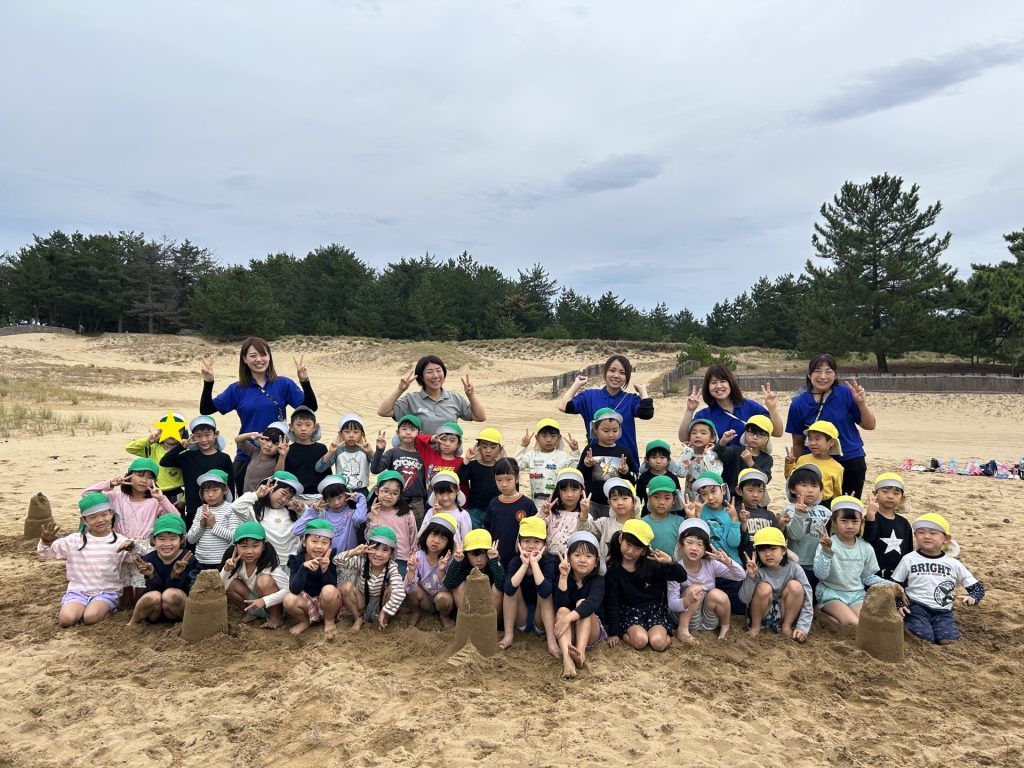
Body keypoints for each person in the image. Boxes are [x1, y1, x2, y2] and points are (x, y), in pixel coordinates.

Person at [200, 337, 317, 487]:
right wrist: (208, 383)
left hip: (277, 454)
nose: (259, 360)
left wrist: (305, 381)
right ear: (244, 359)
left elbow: (310, 408)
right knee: (246, 505)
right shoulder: (237, 389)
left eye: (263, 354)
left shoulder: (283, 384)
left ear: (269, 357)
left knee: (278, 504)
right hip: (248, 455)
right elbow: (206, 409)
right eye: (253, 355)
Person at [83, 457, 180, 602]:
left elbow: (176, 518)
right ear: (129, 475)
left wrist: (161, 499)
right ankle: (125, 607)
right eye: (140, 475)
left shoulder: (154, 501)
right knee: (123, 585)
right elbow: (87, 495)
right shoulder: (116, 497)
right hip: (120, 544)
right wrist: (110, 483)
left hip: (144, 546)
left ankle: (140, 608)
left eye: (149, 477)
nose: (144, 480)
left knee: (142, 581)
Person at [37, 494, 136, 628]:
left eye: (104, 514)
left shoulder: (120, 541)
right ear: (84, 520)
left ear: (111, 514)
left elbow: (138, 559)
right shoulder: (74, 540)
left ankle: (107, 609)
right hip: (78, 591)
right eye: (93, 517)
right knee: (66, 619)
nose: (100, 520)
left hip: (106, 592)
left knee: (90, 618)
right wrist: (46, 542)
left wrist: (133, 548)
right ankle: (82, 607)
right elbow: (46, 554)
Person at [785, 353, 876, 497]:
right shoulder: (798, 404)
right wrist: (796, 469)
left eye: (828, 371)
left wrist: (861, 403)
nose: (823, 376)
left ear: (835, 375)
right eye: (817, 371)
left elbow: (870, 425)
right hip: (815, 462)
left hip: (850, 458)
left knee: (848, 507)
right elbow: (797, 442)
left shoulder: (845, 393)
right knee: (818, 507)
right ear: (809, 375)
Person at [893, 513, 985, 645]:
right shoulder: (909, 559)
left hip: (943, 611)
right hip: (916, 607)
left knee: (948, 639)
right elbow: (895, 585)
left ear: (946, 539)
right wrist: (899, 604)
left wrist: (973, 597)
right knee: (924, 637)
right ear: (915, 536)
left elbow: (977, 588)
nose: (926, 536)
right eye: (921, 532)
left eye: (933, 533)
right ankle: (902, 627)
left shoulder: (953, 563)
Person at [604, 519, 687, 652]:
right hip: (629, 612)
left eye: (637, 548)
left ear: (644, 550)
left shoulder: (652, 564)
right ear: (620, 539)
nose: (630, 551)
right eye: (628, 544)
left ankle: (663, 634)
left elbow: (682, 577)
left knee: (658, 643)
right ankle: (627, 632)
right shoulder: (613, 571)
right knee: (640, 641)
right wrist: (614, 632)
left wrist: (670, 562)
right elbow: (613, 602)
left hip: (654, 610)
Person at [558, 354, 653, 467]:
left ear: (627, 377)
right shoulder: (590, 397)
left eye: (622, 373)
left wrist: (643, 391)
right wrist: (577, 384)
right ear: (605, 373)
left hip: (625, 463)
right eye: (612, 370)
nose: (616, 375)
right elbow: (564, 407)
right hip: (596, 461)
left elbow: (647, 413)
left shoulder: (631, 400)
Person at [812, 497, 895, 626]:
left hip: (856, 595)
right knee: (853, 623)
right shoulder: (828, 544)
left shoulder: (866, 547)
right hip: (831, 593)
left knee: (866, 622)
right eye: (844, 521)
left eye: (855, 521)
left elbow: (867, 577)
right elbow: (820, 575)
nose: (850, 526)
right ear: (834, 522)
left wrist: (889, 584)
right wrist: (827, 552)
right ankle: (824, 612)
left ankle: (833, 619)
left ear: (861, 522)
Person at [668, 519, 745, 641]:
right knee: (696, 588)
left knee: (717, 594)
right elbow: (672, 604)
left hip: (709, 621)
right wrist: (686, 600)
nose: (694, 548)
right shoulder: (675, 569)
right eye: (689, 542)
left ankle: (725, 627)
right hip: (688, 618)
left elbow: (740, 576)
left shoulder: (711, 564)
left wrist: (728, 562)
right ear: (681, 545)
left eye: (700, 544)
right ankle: (683, 630)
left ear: (705, 549)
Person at [376, 355, 486, 435]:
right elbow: (383, 411)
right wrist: (400, 390)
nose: (435, 376)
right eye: (429, 372)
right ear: (421, 377)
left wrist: (470, 395)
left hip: (446, 459)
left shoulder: (455, 398)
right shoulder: (412, 400)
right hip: (420, 457)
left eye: (439, 370)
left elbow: (480, 417)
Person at [677, 366, 783, 447]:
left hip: (747, 467)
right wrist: (689, 410)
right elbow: (684, 438)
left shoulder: (750, 407)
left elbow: (777, 432)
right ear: (708, 387)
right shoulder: (704, 415)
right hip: (718, 470)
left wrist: (772, 408)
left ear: (731, 383)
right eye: (713, 382)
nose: (718, 386)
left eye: (723, 381)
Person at [740, 527, 813, 643]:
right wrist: (751, 576)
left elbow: (808, 598)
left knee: (795, 586)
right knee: (764, 588)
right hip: (762, 614)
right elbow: (744, 599)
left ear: (783, 550)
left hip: (786, 613)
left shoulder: (794, 568)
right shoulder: (756, 569)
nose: (768, 554)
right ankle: (755, 627)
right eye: (762, 550)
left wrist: (802, 627)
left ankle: (786, 627)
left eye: (773, 549)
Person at [160, 415, 234, 528]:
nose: (204, 440)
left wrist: (229, 505)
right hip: (193, 508)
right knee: (193, 540)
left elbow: (230, 484)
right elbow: (165, 461)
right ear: (193, 438)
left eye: (208, 435)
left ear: (216, 434)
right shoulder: (188, 456)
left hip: (218, 509)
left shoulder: (224, 458)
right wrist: (181, 446)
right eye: (198, 436)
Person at [500, 517, 558, 653]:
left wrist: (535, 564)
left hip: (541, 620)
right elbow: (508, 589)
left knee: (544, 589)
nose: (531, 546)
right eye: (526, 541)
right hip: (521, 617)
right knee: (514, 585)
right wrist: (525, 565)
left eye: (537, 541)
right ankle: (509, 635)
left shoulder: (548, 562)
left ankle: (551, 641)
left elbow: (545, 591)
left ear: (544, 544)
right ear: (519, 542)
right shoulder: (515, 561)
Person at [553, 531, 606, 678]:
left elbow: (592, 604)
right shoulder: (563, 576)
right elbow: (559, 604)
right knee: (562, 610)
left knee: (582, 603)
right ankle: (568, 661)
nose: (582, 560)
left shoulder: (598, 581)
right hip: (567, 633)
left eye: (588, 556)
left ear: (596, 562)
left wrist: (568, 618)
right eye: (577, 555)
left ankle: (580, 653)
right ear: (569, 557)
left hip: (589, 631)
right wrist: (563, 577)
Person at [335, 526, 407, 632]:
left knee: (392, 589)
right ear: (367, 548)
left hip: (379, 604)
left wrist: (384, 611)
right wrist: (354, 552)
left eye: (385, 550)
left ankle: (383, 619)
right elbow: (336, 561)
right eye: (375, 548)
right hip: (362, 601)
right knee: (346, 587)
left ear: (391, 553)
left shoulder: (391, 567)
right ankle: (358, 618)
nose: (378, 554)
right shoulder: (362, 560)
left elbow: (400, 593)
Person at [129, 515, 197, 625]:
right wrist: (151, 575)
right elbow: (151, 590)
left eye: (173, 538)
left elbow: (189, 591)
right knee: (153, 596)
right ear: (153, 540)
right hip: (154, 612)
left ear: (182, 539)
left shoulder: (188, 559)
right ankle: (132, 623)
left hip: (177, 610)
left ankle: (190, 624)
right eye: (161, 539)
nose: (167, 544)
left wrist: (175, 575)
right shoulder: (148, 559)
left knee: (170, 594)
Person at [220, 521, 289, 629]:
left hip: (275, 604)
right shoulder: (237, 562)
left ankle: (276, 618)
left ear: (263, 546)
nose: (249, 551)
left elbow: (289, 590)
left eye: (255, 546)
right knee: (230, 584)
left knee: (264, 580)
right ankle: (253, 613)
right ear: (236, 547)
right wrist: (226, 570)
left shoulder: (270, 565)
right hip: (255, 601)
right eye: (243, 546)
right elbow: (220, 586)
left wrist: (265, 600)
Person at [230, 471, 305, 567]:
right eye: (283, 493)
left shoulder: (293, 512)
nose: (284, 500)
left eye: (289, 498)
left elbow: (309, 522)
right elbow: (236, 506)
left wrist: (302, 511)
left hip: (291, 563)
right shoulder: (254, 511)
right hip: (267, 563)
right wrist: (256, 495)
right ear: (271, 488)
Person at [283, 519, 341, 638]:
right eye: (314, 541)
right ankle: (305, 621)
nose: (319, 547)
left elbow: (332, 586)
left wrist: (325, 569)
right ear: (304, 542)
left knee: (329, 590)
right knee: (288, 599)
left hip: (328, 604)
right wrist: (303, 568)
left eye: (324, 542)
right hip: (308, 603)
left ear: (330, 545)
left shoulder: (331, 558)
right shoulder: (297, 560)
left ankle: (329, 620)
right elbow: (294, 589)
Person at [577, 409, 639, 518]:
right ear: (595, 429)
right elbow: (579, 476)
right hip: (592, 503)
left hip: (616, 506)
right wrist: (586, 466)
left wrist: (626, 472)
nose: (611, 435)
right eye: (606, 431)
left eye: (615, 430)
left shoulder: (623, 452)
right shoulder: (590, 450)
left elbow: (634, 479)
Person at [371, 415, 427, 525]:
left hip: (417, 502)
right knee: (396, 530)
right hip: (396, 499)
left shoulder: (423, 454)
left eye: (412, 429)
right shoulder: (392, 453)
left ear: (419, 433)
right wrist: (379, 450)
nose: (408, 432)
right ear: (397, 432)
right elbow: (375, 469)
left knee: (415, 533)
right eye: (404, 429)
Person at [290, 475, 368, 554]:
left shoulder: (352, 514)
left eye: (340, 497)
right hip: (326, 562)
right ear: (325, 500)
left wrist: (360, 498)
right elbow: (297, 531)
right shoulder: (322, 516)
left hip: (348, 560)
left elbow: (360, 519)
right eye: (330, 500)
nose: (336, 503)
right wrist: (312, 512)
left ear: (346, 495)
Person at [783, 465, 831, 590]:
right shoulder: (789, 509)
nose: (810, 490)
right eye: (804, 485)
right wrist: (799, 514)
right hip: (797, 564)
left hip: (821, 564)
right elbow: (795, 535)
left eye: (814, 486)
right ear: (793, 489)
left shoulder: (826, 511)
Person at [405, 513, 457, 628]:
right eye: (433, 535)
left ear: (448, 543)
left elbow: (447, 588)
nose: (436, 541)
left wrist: (442, 571)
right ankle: (415, 612)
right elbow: (408, 588)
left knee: (443, 597)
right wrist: (411, 571)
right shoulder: (418, 556)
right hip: (424, 600)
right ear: (426, 535)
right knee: (413, 588)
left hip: (442, 601)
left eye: (443, 538)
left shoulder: (449, 560)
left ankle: (444, 616)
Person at [124, 412, 188, 503]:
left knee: (174, 516)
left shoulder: (185, 452)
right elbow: (130, 448)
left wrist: (183, 501)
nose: (171, 434)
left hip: (175, 494)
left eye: (178, 430)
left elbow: (191, 478)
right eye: (167, 429)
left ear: (183, 432)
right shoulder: (152, 449)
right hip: (152, 491)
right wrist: (148, 441)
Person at [485, 458, 538, 569]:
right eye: (499, 480)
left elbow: (535, 532)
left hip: (521, 558)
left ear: (517, 478)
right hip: (497, 556)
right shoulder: (493, 503)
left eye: (508, 479)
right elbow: (488, 530)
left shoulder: (527, 504)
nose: (504, 484)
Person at [364, 471, 419, 578]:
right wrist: (375, 517)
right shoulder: (371, 514)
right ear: (376, 491)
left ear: (399, 496)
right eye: (385, 491)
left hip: (401, 559)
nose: (389, 496)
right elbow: (369, 539)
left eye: (394, 493)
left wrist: (413, 554)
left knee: (397, 589)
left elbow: (413, 536)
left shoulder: (406, 513)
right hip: (378, 558)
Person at [580, 478, 638, 574]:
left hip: (630, 575)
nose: (619, 503)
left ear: (633, 502)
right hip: (605, 575)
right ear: (609, 503)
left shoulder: (639, 526)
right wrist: (584, 513)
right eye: (615, 499)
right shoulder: (604, 523)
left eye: (625, 498)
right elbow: (583, 530)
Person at [862, 472, 914, 579]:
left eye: (896, 493)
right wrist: (870, 516)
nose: (890, 496)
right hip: (873, 576)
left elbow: (908, 551)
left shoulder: (904, 523)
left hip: (898, 576)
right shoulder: (869, 518)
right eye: (885, 491)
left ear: (902, 498)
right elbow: (868, 541)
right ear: (874, 494)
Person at [515, 418, 581, 501]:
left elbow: (577, 470)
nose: (549, 440)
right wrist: (523, 446)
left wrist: (575, 451)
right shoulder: (531, 455)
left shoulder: (563, 456)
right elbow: (516, 465)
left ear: (559, 438)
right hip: (536, 503)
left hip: (557, 503)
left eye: (553, 436)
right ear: (537, 438)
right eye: (544, 436)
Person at [443, 528, 504, 614]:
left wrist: (494, 560)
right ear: (466, 554)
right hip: (469, 609)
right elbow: (448, 583)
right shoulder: (464, 565)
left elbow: (502, 585)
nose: (479, 559)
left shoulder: (493, 563)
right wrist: (457, 561)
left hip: (490, 614)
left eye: (482, 553)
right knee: (458, 586)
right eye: (473, 555)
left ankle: (491, 623)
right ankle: (467, 620)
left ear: (488, 552)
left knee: (497, 588)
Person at [784, 420, 843, 506]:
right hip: (802, 502)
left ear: (831, 442)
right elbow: (790, 479)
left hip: (824, 505)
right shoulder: (802, 459)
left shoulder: (837, 467)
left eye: (817, 439)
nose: (812, 443)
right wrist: (789, 464)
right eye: (810, 439)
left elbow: (836, 494)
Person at [186, 470, 235, 572]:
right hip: (201, 562)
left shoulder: (232, 509)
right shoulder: (201, 510)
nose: (210, 495)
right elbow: (190, 539)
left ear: (225, 490)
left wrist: (214, 524)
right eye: (206, 491)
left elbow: (234, 537)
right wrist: (201, 525)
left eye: (215, 490)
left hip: (223, 562)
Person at [538, 467, 591, 556]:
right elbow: (535, 527)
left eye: (574, 490)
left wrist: (584, 515)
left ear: (581, 491)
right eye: (564, 490)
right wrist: (543, 513)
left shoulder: (586, 516)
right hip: (548, 558)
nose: (569, 495)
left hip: (570, 562)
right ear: (558, 491)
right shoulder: (551, 513)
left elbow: (584, 534)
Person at [458, 427, 504, 529]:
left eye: (493, 447)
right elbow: (459, 480)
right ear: (478, 447)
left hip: (495, 509)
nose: (488, 451)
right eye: (484, 446)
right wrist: (466, 460)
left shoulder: (501, 467)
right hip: (474, 511)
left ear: (500, 449)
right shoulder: (473, 465)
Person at [317, 413, 373, 496]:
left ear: (362, 434)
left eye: (356, 432)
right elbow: (319, 468)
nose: (351, 435)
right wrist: (330, 452)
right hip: (342, 492)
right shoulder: (338, 451)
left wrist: (371, 452)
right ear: (340, 434)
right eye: (347, 432)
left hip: (362, 492)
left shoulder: (365, 450)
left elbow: (378, 468)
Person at [282, 406, 329, 496]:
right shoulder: (287, 450)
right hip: (294, 495)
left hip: (318, 495)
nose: (303, 428)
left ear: (315, 427)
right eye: (299, 425)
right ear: (291, 427)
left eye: (308, 425)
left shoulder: (322, 448)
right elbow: (282, 475)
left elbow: (326, 475)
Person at [419, 470, 472, 545]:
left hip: (455, 555)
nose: (445, 498)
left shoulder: (463, 515)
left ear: (457, 490)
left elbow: (467, 540)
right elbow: (423, 534)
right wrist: (435, 516)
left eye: (449, 493)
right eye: (440, 493)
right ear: (435, 493)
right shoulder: (431, 512)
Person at [234, 421, 288, 494]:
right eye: (267, 440)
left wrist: (282, 456)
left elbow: (278, 476)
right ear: (262, 438)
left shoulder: (277, 461)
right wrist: (250, 435)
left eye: (275, 444)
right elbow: (238, 440)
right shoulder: (254, 452)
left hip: (261, 501)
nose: (269, 445)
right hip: (246, 498)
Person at [640, 475, 685, 557]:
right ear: (649, 498)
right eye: (656, 497)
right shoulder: (641, 523)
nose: (661, 502)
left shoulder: (680, 522)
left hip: (673, 567)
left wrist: (692, 516)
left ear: (674, 500)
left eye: (667, 498)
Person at [635, 439, 682, 513]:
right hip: (648, 513)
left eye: (662, 457)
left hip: (669, 513)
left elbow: (677, 498)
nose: (658, 461)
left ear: (668, 460)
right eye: (654, 457)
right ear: (647, 460)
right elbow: (638, 498)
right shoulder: (643, 478)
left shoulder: (673, 477)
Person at [415, 422, 466, 487]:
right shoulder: (430, 455)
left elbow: (464, 486)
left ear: (458, 444)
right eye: (444, 440)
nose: (447, 444)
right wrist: (431, 439)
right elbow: (417, 440)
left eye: (452, 441)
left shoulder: (462, 462)